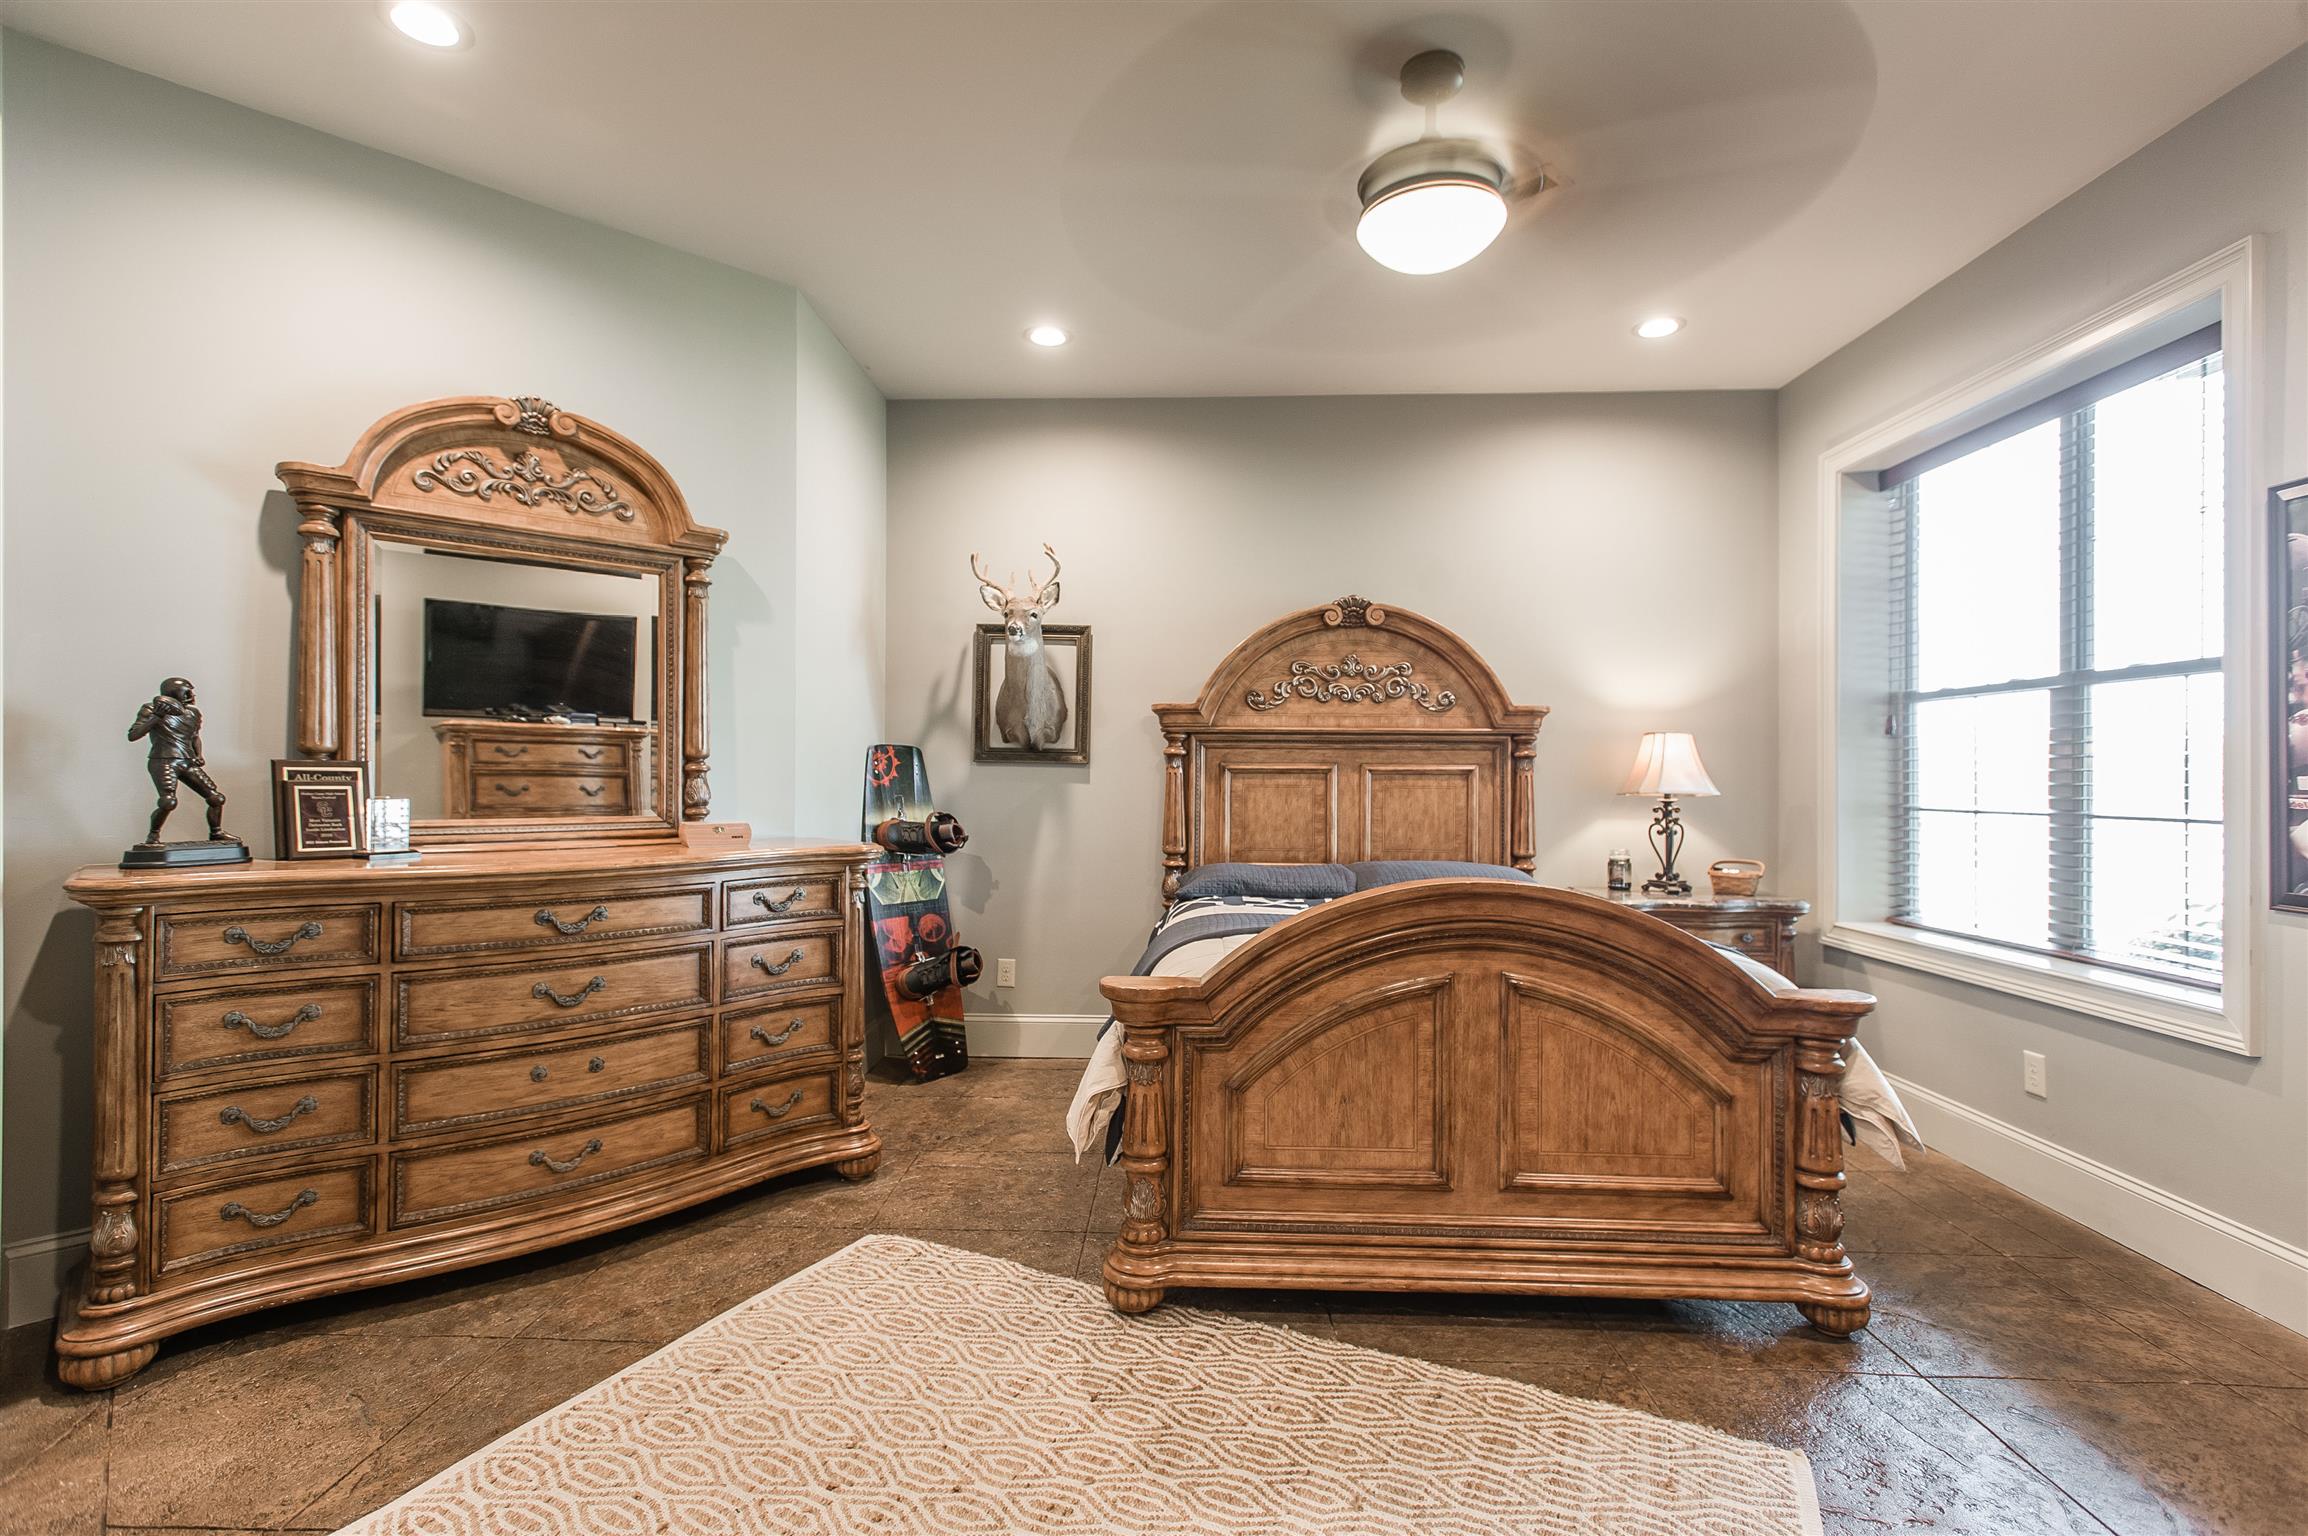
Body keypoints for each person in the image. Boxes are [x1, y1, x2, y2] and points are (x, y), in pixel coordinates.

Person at [129, 677, 232, 844]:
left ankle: (216, 832)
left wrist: (198, 755)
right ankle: (153, 836)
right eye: (187, 692)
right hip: (163, 760)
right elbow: (133, 735)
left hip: (187, 760)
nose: (191, 696)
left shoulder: (193, 713)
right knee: (168, 801)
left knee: (216, 798)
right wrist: (157, 717)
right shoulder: (151, 709)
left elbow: (194, 737)